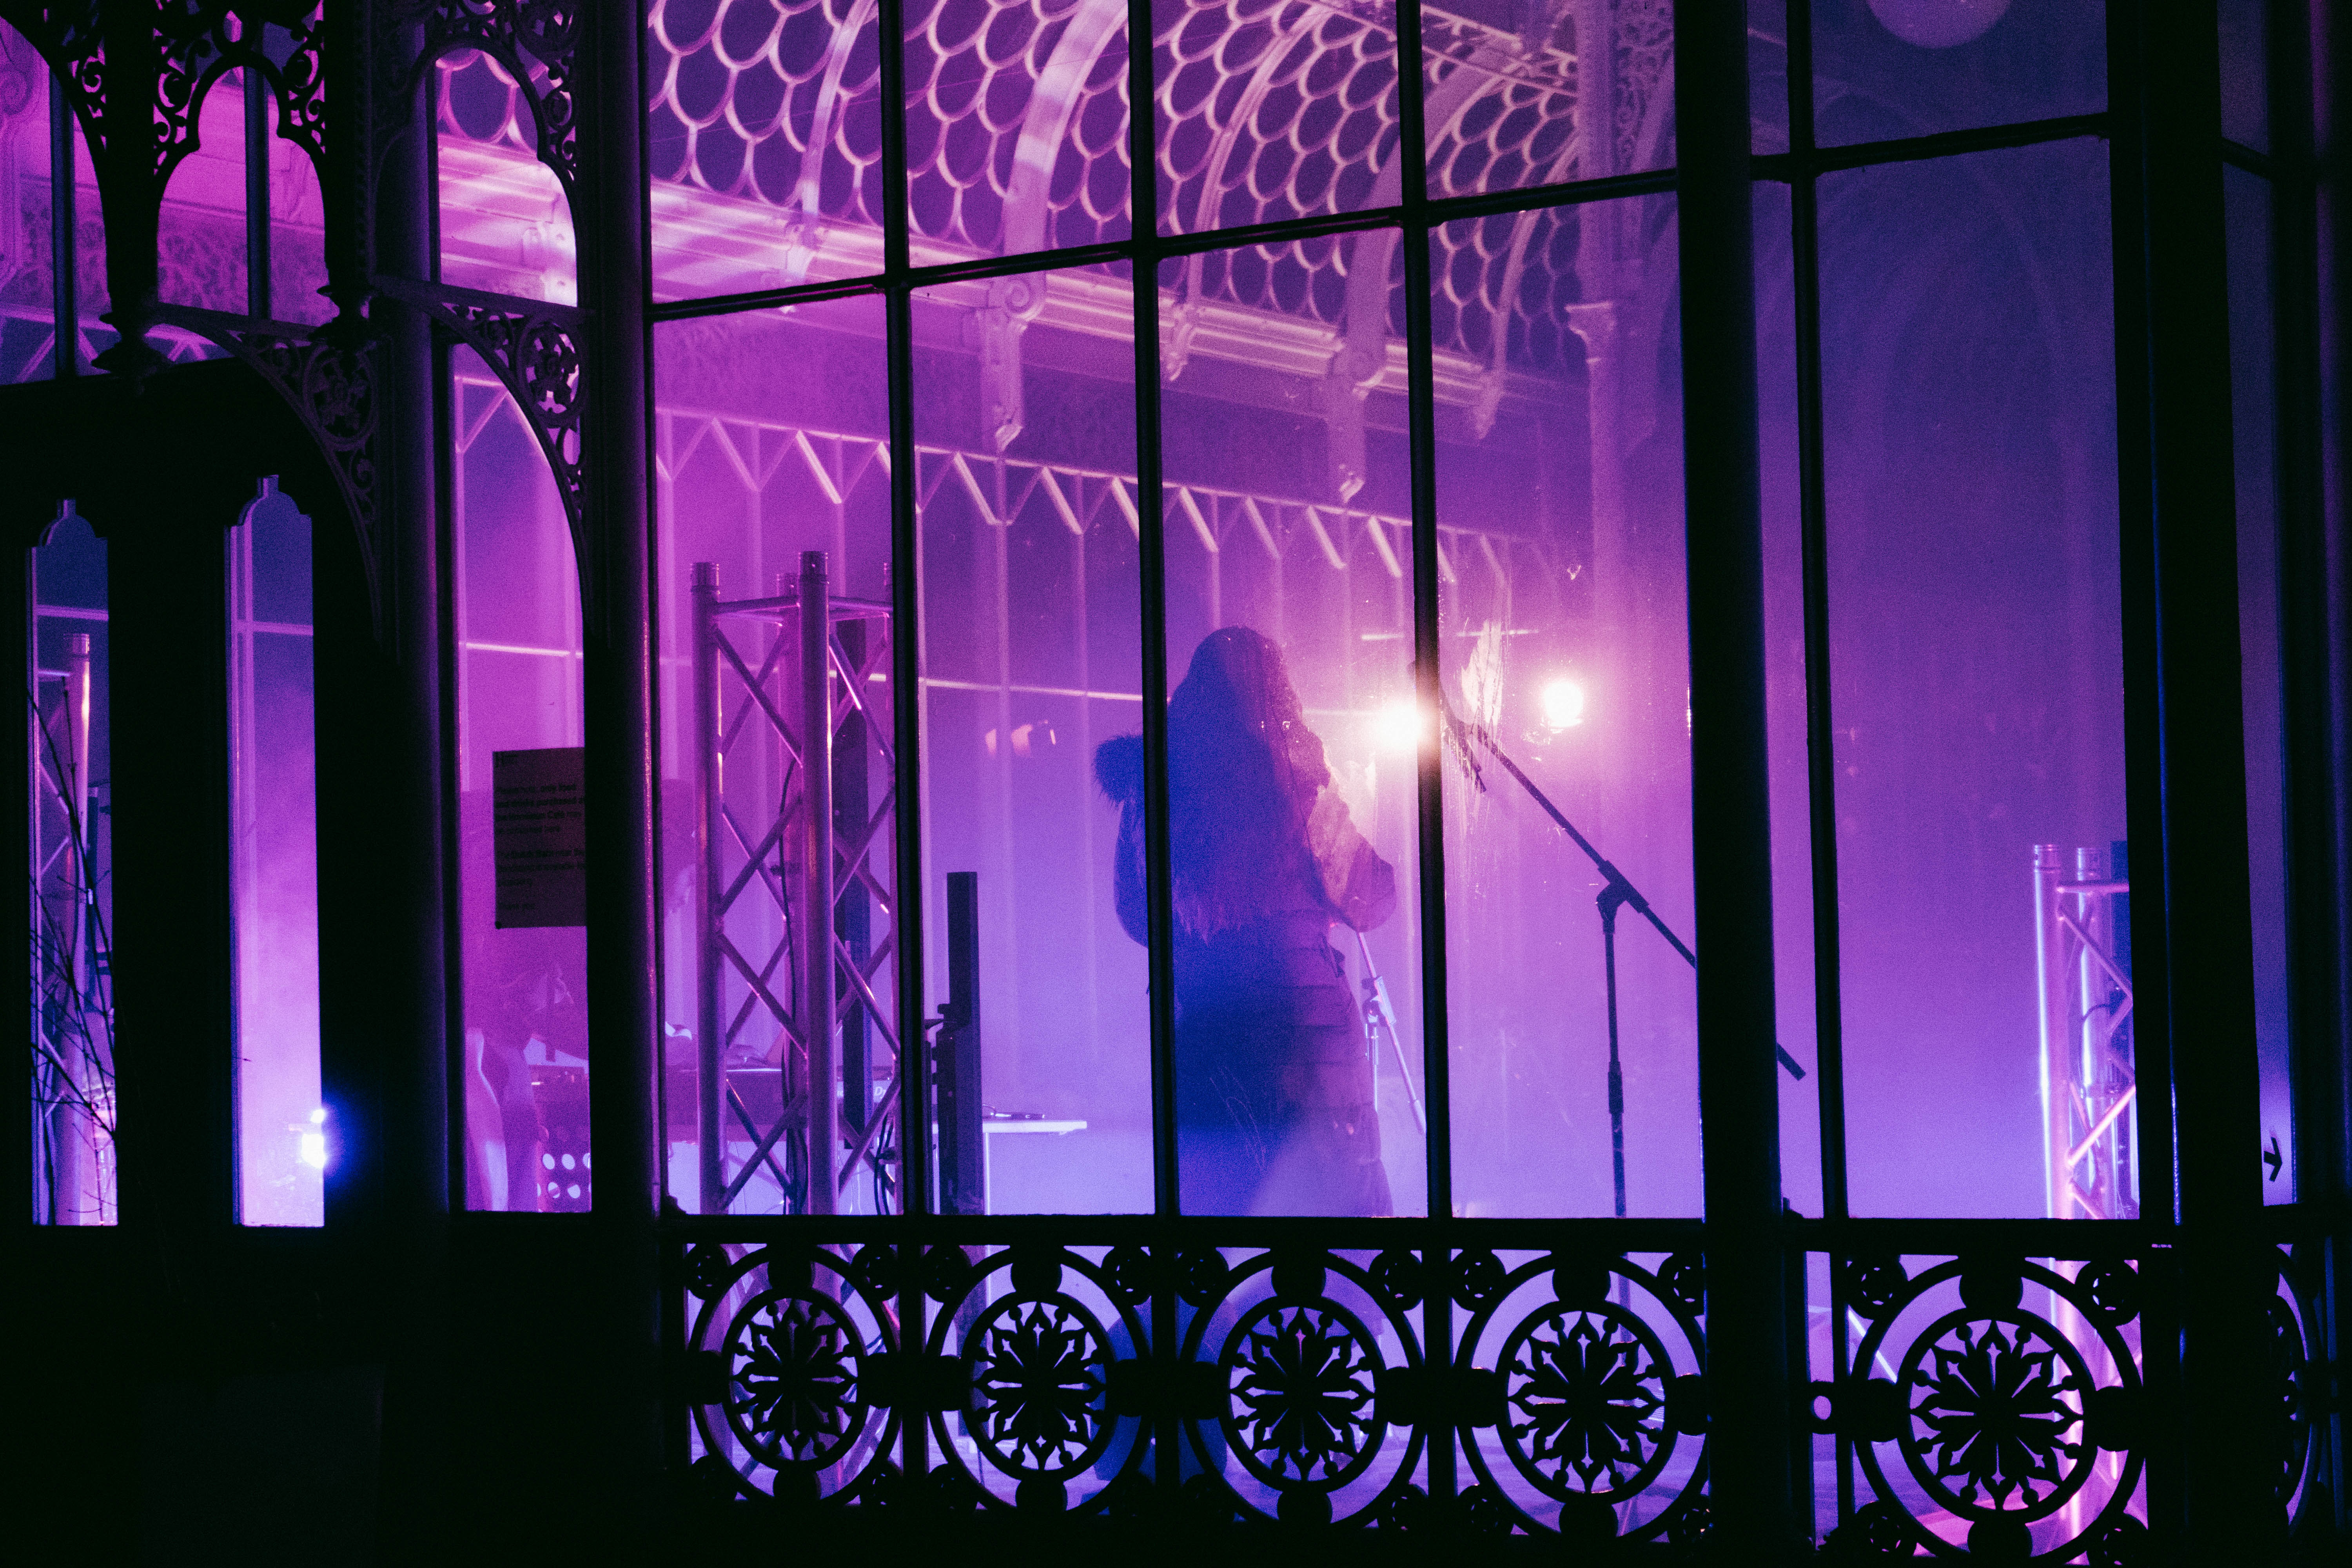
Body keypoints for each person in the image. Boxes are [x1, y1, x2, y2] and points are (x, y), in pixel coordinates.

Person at [1095, 627, 1397, 1215]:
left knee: (1219, 1221)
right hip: (1307, 1046)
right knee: (1334, 1228)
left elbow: (1138, 915)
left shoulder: (1154, 788)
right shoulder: (1298, 780)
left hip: (1206, 1037)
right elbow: (1369, 900)